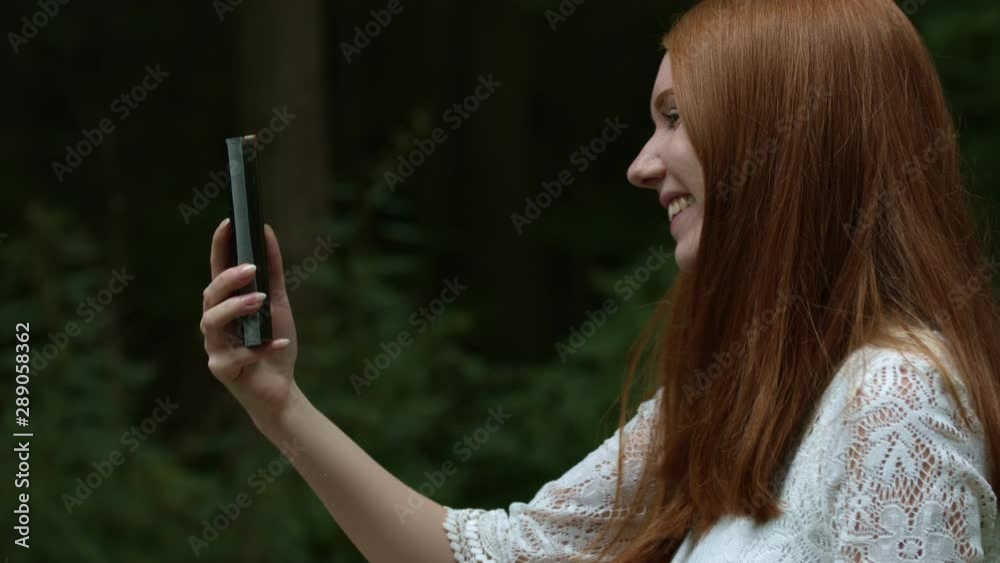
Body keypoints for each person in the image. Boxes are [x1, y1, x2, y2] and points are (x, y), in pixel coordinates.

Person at [199, 0, 1000, 560]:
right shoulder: (737, 395)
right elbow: (493, 557)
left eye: (675, 117)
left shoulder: (894, 399)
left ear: (785, 132)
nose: (641, 165)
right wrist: (280, 404)